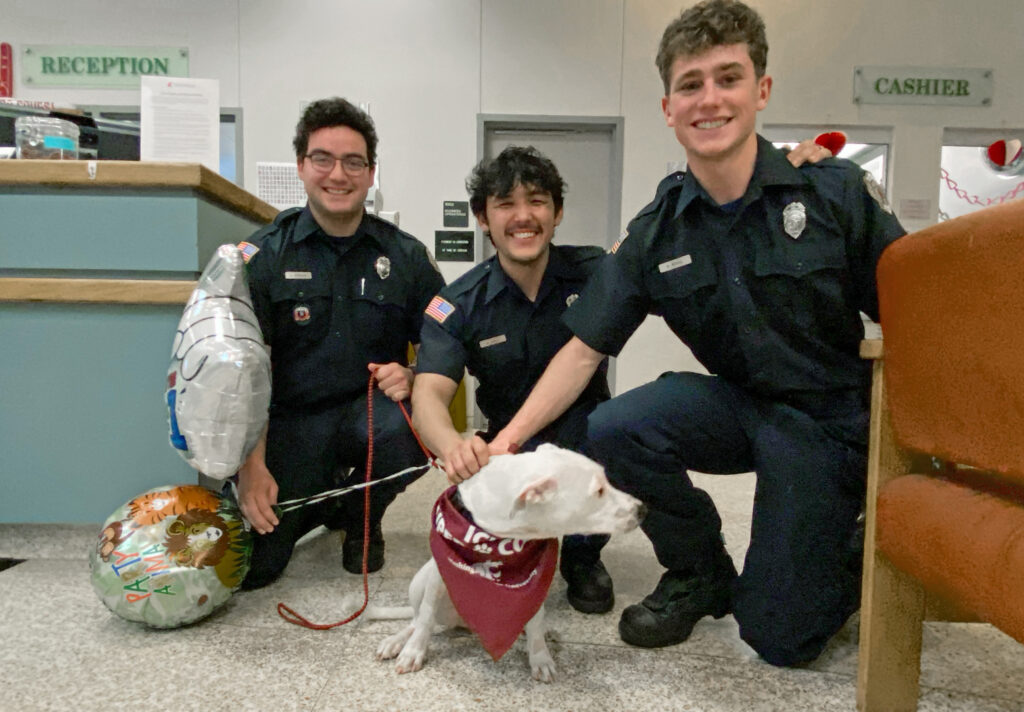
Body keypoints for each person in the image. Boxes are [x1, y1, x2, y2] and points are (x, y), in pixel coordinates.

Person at [483, 0, 906, 666]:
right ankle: (699, 570)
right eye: (690, 84)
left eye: (727, 77)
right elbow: (584, 348)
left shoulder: (832, 195)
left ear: (761, 90)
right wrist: (506, 441)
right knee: (614, 427)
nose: (709, 99)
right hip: (740, 405)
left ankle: (850, 546)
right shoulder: (659, 230)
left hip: (827, 425)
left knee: (778, 638)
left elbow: (919, 317)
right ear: (668, 107)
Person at [236, 97, 444, 590]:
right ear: (301, 167)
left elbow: (445, 342)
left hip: (368, 415)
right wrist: (250, 467)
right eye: (323, 159)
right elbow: (241, 373)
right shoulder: (263, 255)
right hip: (290, 423)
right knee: (255, 569)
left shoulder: (405, 256)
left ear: (371, 172)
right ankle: (323, 499)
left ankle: (361, 514)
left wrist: (414, 374)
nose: (338, 174)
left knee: (413, 426)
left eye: (354, 162)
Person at [412, 146, 616, 614]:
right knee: (480, 514)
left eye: (538, 201)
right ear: (483, 217)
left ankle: (583, 558)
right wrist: (452, 447)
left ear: (558, 211)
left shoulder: (596, 273)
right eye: (505, 204)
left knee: (619, 433)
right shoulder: (458, 303)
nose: (523, 217)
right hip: (507, 443)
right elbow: (429, 392)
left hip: (585, 428)